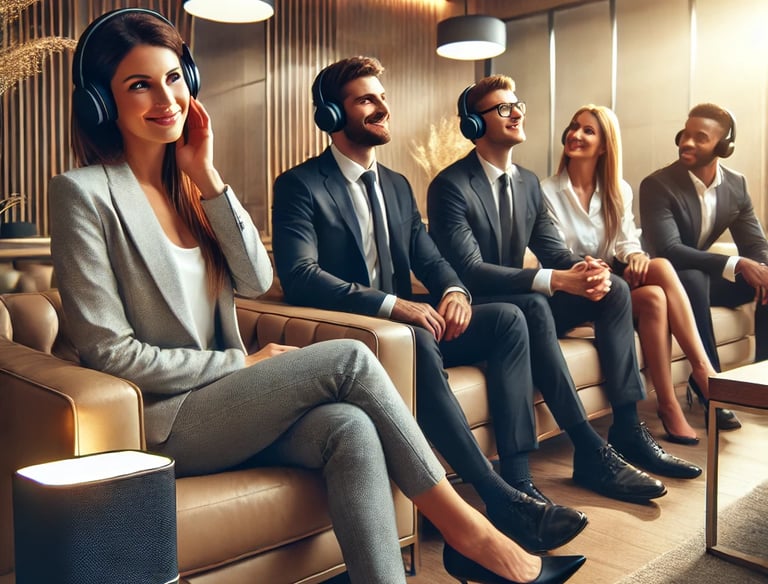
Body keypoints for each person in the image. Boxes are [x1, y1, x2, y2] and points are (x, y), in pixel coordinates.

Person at [49, 11, 586, 584]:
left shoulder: (194, 188)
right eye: (139, 84)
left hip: (229, 404)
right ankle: (475, 534)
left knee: (349, 428)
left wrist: (205, 174)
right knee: (354, 358)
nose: (167, 98)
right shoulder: (81, 194)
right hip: (164, 416)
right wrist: (241, 362)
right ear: (100, 104)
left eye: (175, 78)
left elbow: (255, 280)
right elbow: (111, 353)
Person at [271, 56, 590, 556]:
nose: (383, 107)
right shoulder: (300, 185)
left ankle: (519, 482)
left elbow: (431, 256)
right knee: (417, 335)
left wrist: (453, 291)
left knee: (508, 317)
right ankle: (497, 501)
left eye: (382, 96)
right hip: (352, 334)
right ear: (332, 114)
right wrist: (393, 305)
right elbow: (301, 278)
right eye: (367, 99)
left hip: (406, 326)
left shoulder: (397, 186)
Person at [426, 75, 703, 501]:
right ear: (474, 125)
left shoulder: (527, 183)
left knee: (613, 288)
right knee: (534, 306)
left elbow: (554, 251)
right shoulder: (450, 185)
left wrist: (587, 269)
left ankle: (627, 429)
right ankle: (589, 449)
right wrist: (557, 279)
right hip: (482, 310)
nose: (517, 112)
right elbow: (471, 269)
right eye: (503, 108)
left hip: (525, 302)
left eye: (517, 104)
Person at [541, 104, 724, 444]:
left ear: (605, 145)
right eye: (574, 127)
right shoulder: (545, 192)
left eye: (588, 131)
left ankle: (673, 400)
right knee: (657, 281)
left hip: (611, 284)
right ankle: (703, 375)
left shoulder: (618, 189)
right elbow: (553, 251)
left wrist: (636, 256)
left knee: (657, 280)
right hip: (570, 289)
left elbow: (626, 240)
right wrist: (590, 265)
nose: (575, 135)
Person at [640, 102, 767, 429]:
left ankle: (763, 375)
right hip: (664, 278)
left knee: (765, 275)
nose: (688, 142)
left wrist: (762, 269)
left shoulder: (735, 185)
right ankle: (707, 383)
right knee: (693, 277)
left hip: (701, 280)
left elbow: (754, 244)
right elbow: (670, 250)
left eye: (701, 137)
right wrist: (736, 263)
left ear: (723, 146)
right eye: (686, 134)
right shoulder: (658, 185)